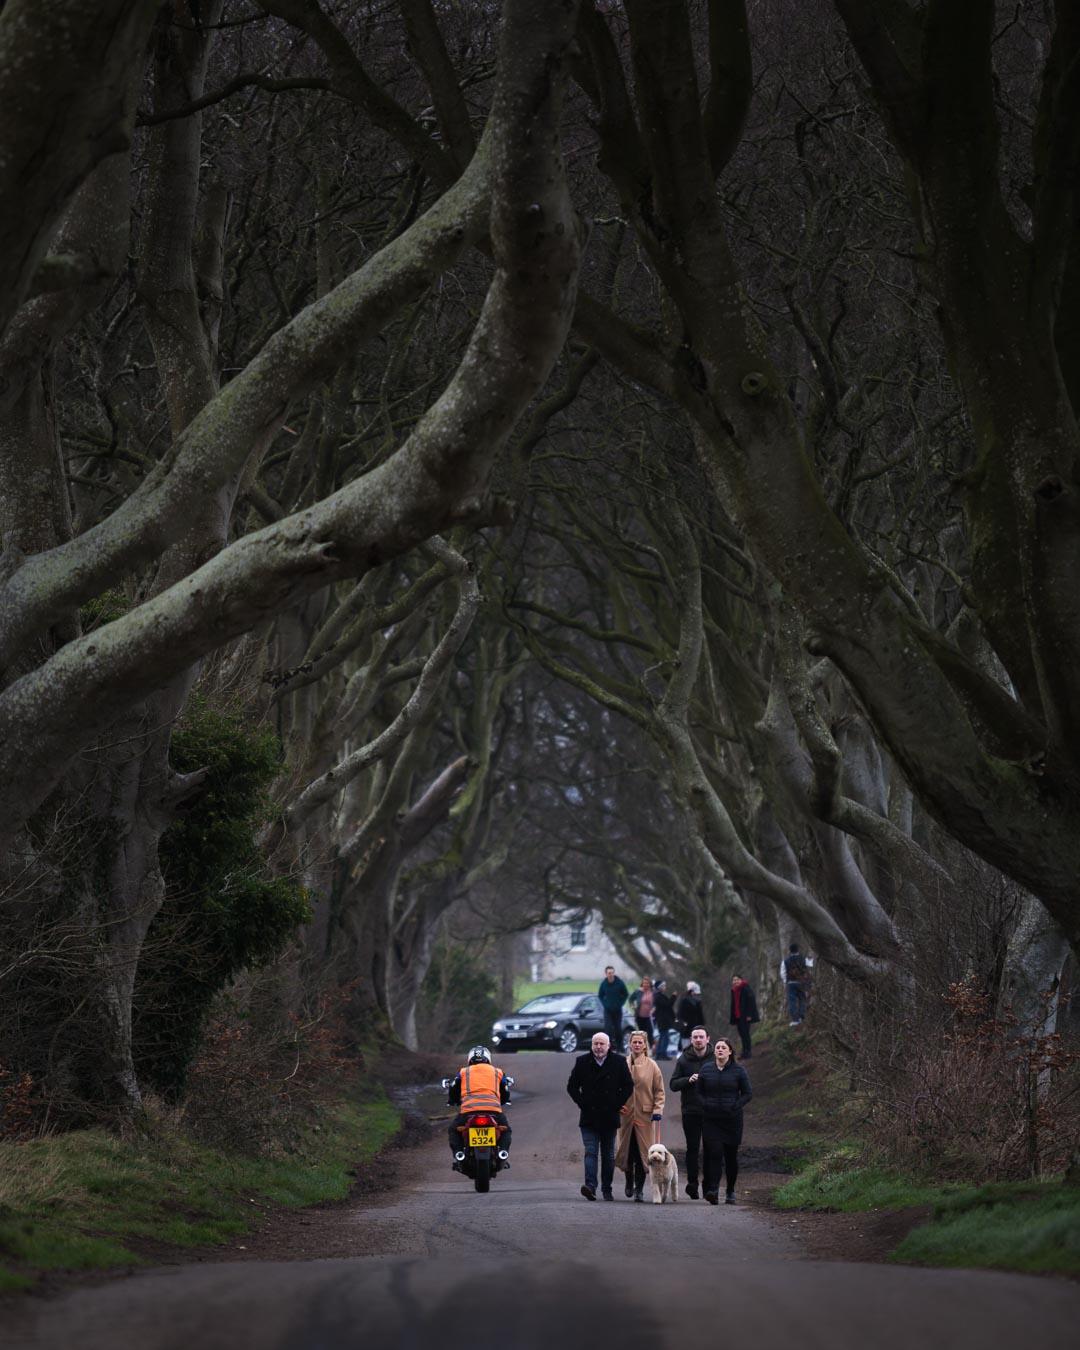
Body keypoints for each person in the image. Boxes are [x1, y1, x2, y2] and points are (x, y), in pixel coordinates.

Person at [566, 1031, 635, 1201]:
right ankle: (590, 1186)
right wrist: (582, 1103)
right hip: (589, 1116)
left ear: (608, 1045)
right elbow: (572, 1087)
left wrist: (617, 1104)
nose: (598, 1047)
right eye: (595, 1043)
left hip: (609, 1116)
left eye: (601, 1044)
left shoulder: (618, 1062)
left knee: (608, 1154)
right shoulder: (582, 1062)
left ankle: (607, 1188)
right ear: (591, 1045)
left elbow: (628, 1085)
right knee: (590, 1152)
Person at [697, 1035, 752, 1205]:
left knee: (730, 1157)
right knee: (714, 1153)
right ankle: (713, 1190)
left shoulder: (739, 1071)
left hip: (732, 1120)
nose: (720, 1050)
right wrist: (705, 1104)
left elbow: (748, 1093)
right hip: (711, 1120)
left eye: (723, 1047)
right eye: (718, 1047)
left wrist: (735, 1106)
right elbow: (698, 1092)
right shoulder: (706, 1070)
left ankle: (730, 1191)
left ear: (730, 1052)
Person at [615, 1028, 665, 1202]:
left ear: (645, 1045)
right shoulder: (621, 1064)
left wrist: (657, 1110)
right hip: (626, 1114)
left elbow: (659, 1091)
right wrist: (616, 1104)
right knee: (626, 1151)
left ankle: (639, 1190)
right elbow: (614, 1088)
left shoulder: (652, 1066)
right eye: (634, 1042)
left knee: (643, 1154)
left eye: (640, 1042)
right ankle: (628, 1181)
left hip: (645, 1116)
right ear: (629, 1044)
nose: (637, 1045)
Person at [447, 1045, 511, 1170]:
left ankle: (459, 1154)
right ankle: (502, 1153)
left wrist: (452, 1101)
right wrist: (503, 1101)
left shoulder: (463, 1072)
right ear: (488, 1059)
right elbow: (505, 1091)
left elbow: (454, 1089)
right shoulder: (498, 1072)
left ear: (470, 1059)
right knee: (506, 1130)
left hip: (469, 1111)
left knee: (454, 1130)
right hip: (493, 1111)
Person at [669, 1024, 710, 1198]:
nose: (698, 1040)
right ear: (691, 1040)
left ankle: (709, 1185)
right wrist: (688, 1080)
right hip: (690, 1110)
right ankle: (692, 1184)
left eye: (701, 1037)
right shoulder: (684, 1059)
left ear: (708, 1039)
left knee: (711, 1149)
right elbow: (673, 1084)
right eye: (695, 1037)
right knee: (692, 1149)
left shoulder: (716, 1057)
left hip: (712, 1112)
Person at [597, 964, 629, 1050]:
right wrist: (605, 1004)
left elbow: (626, 994)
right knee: (608, 1029)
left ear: (614, 973)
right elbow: (600, 995)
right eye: (609, 973)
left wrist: (620, 1003)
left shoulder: (619, 983)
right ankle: (608, 1047)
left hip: (617, 1010)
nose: (610, 974)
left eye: (612, 973)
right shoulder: (604, 984)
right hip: (607, 1010)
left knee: (618, 1029)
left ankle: (620, 1047)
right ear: (606, 974)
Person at [729, 974, 759, 1059]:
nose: (736, 981)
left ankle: (748, 1052)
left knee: (746, 1034)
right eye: (734, 980)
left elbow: (751, 1002)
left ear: (741, 980)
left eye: (737, 979)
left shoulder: (746, 988)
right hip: (738, 1016)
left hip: (745, 1015)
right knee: (741, 1034)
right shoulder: (734, 990)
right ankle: (744, 1051)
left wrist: (749, 1015)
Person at [782, 943, 809, 1025]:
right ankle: (801, 1017)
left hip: (791, 983)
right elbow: (809, 970)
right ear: (798, 950)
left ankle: (795, 1020)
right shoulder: (804, 959)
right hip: (801, 982)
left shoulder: (785, 961)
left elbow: (782, 973)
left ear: (790, 951)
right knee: (802, 999)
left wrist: (785, 982)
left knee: (792, 1001)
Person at [652, 979, 677, 1060]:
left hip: (663, 1019)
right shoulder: (658, 996)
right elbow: (668, 1005)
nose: (665, 987)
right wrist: (673, 996)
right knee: (664, 1036)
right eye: (663, 986)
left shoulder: (659, 995)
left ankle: (660, 1054)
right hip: (662, 1020)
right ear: (659, 987)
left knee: (663, 1036)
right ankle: (662, 1054)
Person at [629, 976, 656, 1043]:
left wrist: (654, 1009)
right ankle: (642, 1048)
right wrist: (633, 1006)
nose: (646, 985)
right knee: (641, 1033)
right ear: (642, 984)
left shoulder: (653, 992)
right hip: (639, 1016)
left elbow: (656, 1003)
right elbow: (630, 999)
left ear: (650, 984)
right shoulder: (638, 991)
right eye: (644, 983)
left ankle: (651, 1049)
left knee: (650, 1033)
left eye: (647, 983)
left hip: (649, 1016)